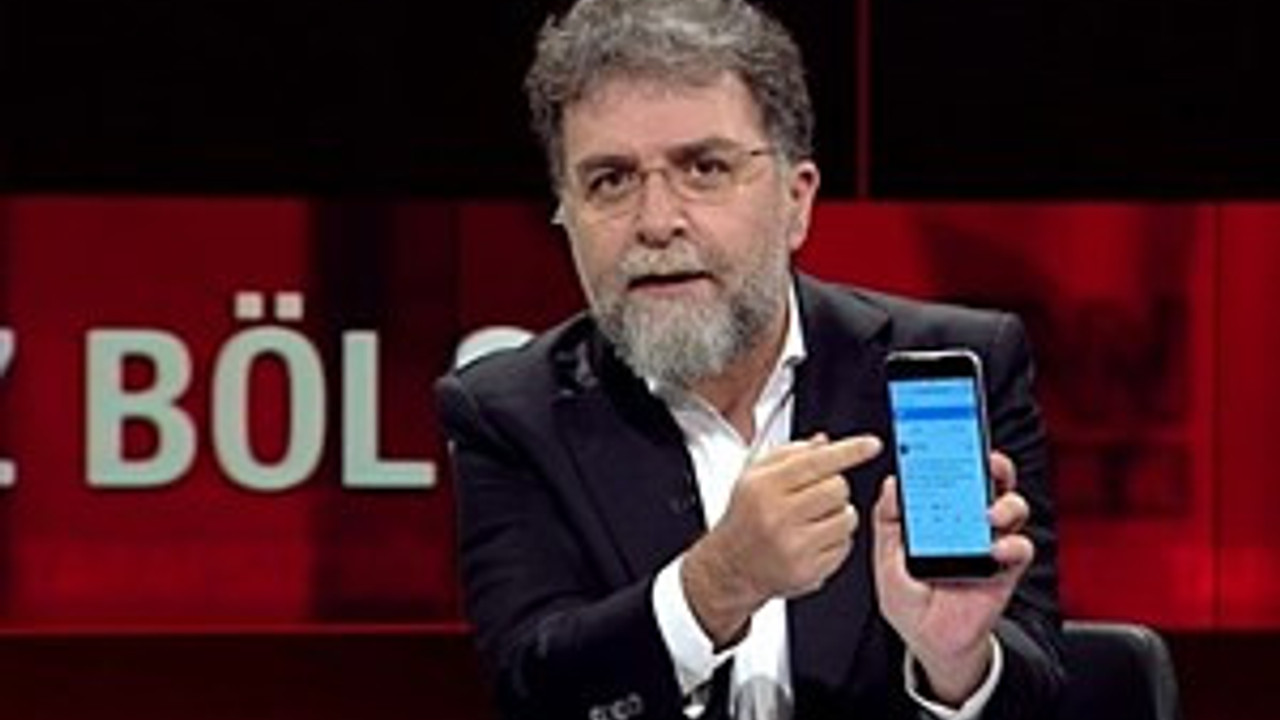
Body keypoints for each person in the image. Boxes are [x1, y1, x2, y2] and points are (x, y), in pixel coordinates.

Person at [435, 0, 1064, 718]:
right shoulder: (508, 412)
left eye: (704, 168)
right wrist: (715, 585)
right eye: (610, 179)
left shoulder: (953, 364)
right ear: (565, 214)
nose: (656, 222)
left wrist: (955, 663)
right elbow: (532, 690)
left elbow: (1043, 690)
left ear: (797, 201)